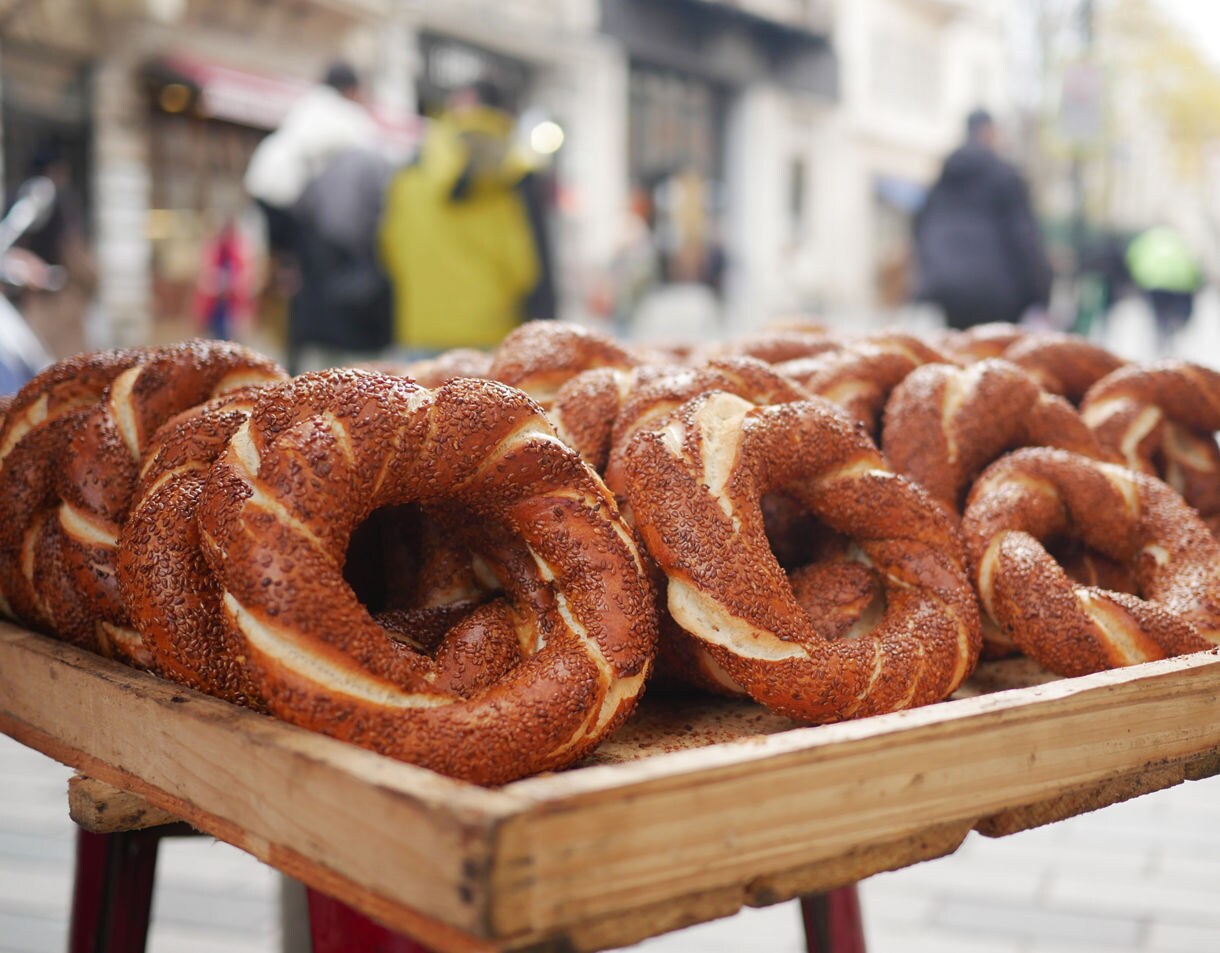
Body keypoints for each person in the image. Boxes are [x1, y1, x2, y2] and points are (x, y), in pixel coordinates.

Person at [378, 80, 555, 355]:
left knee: (415, 399)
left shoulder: (412, 170)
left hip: (419, 329)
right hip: (492, 336)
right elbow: (530, 268)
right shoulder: (517, 176)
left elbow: (390, 246)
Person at [243, 62, 391, 371]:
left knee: (302, 339)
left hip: (291, 237)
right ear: (352, 90)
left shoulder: (301, 117)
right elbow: (352, 214)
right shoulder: (351, 127)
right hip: (324, 246)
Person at [912, 109, 1052, 329]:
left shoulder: (944, 179)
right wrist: (1040, 295)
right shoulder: (1005, 177)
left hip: (951, 291)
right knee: (996, 356)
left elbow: (920, 228)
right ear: (988, 131)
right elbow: (1023, 239)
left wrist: (931, 276)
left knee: (958, 354)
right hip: (1000, 293)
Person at [1124, 224, 1202, 353]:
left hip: (1153, 282)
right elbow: (1192, 262)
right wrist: (1194, 282)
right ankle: (1171, 330)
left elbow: (1132, 258)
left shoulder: (1146, 240)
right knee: (1173, 311)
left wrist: (1138, 278)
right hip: (1178, 283)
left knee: (1158, 312)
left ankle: (1161, 332)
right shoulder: (1179, 241)